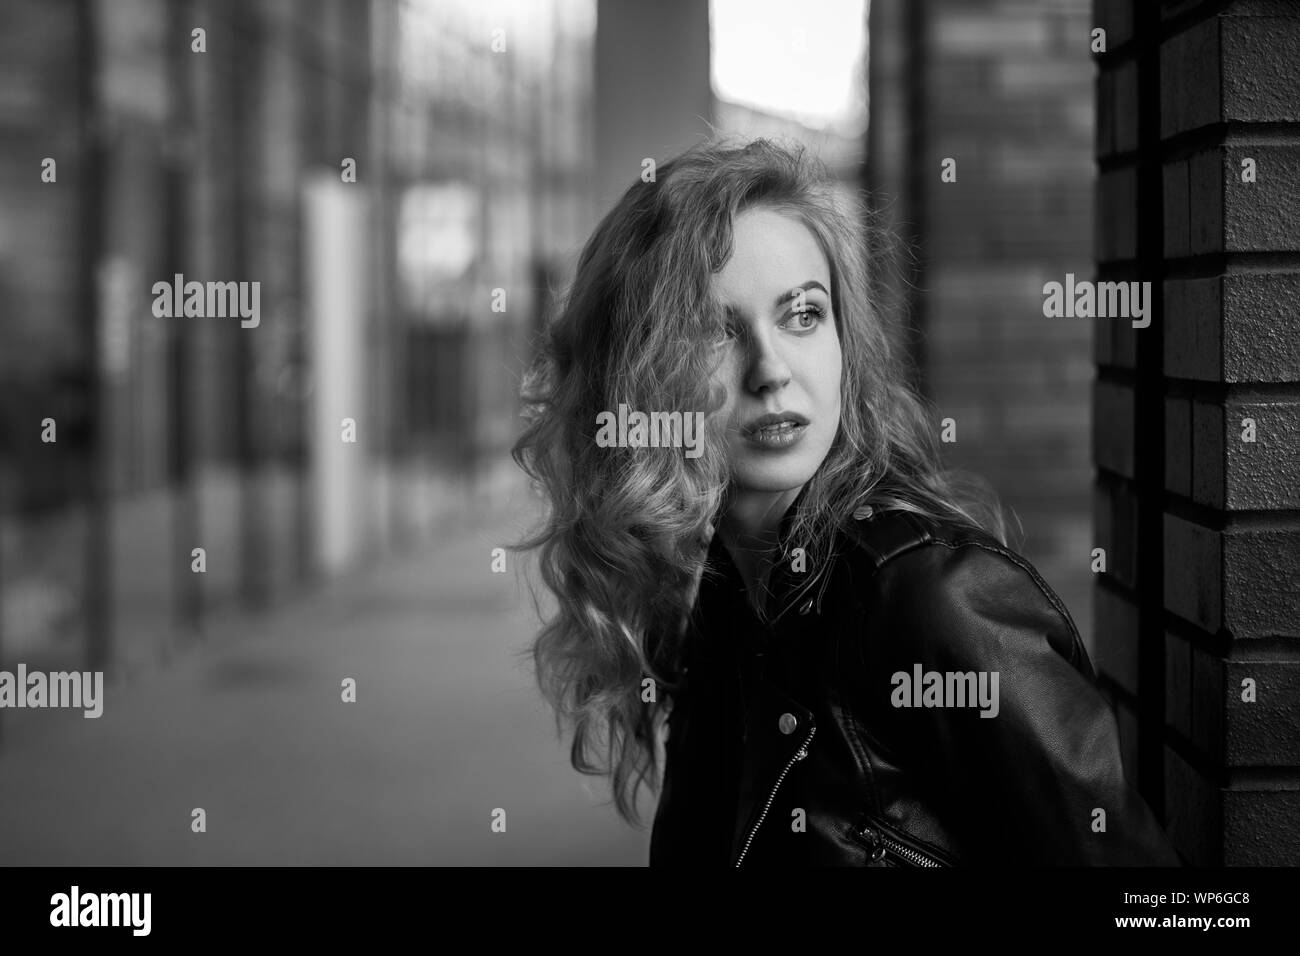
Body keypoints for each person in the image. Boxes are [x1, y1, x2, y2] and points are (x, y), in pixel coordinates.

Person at [509, 136, 1181, 867]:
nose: (770, 371)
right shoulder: (723, 598)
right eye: (713, 331)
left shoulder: (929, 597)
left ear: (843, 342)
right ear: (635, 374)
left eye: (802, 315)